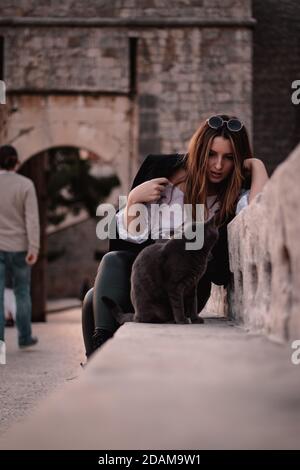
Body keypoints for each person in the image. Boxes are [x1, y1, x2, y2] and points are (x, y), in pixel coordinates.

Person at [82, 114, 269, 358]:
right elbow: (130, 239)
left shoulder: (232, 199)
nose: (218, 165)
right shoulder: (161, 177)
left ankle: (101, 359)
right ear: (200, 151)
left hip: (186, 287)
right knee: (97, 289)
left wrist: (257, 166)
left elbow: (260, 213)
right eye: (212, 154)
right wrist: (134, 200)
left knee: (95, 298)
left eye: (229, 158)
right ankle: (99, 355)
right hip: (147, 278)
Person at [0, 145, 40, 348]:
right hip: (20, 247)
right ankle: (24, 337)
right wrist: (34, 248)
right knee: (22, 292)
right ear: (16, 162)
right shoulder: (26, 184)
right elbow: (31, 219)